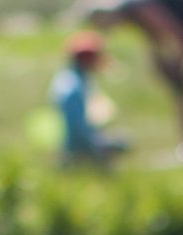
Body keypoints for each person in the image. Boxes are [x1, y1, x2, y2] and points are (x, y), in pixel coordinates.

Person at [51, 30, 127, 163]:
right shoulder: (73, 87)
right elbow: (78, 128)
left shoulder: (74, 79)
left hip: (78, 143)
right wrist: (97, 151)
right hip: (76, 149)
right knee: (123, 143)